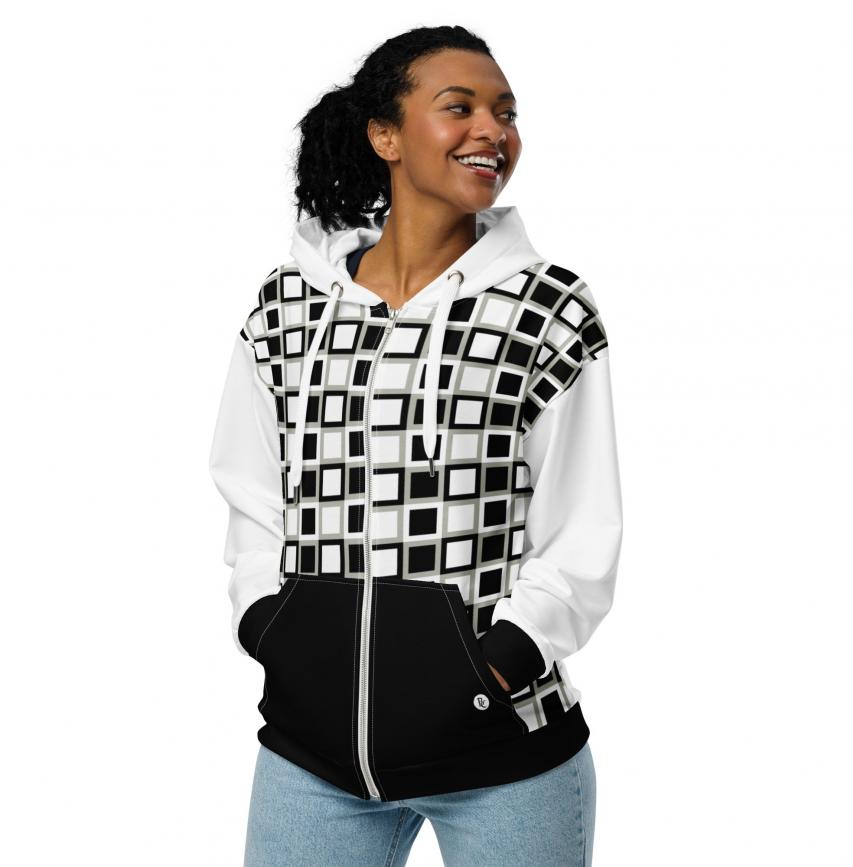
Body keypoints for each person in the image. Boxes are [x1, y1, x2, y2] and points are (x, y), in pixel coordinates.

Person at [208, 24, 623, 867]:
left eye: (506, 113)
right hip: (311, 759)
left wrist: (496, 663)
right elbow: (251, 491)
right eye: (459, 107)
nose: (491, 131)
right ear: (385, 135)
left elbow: (583, 528)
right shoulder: (288, 308)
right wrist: (266, 622)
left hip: (504, 756)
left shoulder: (547, 310)